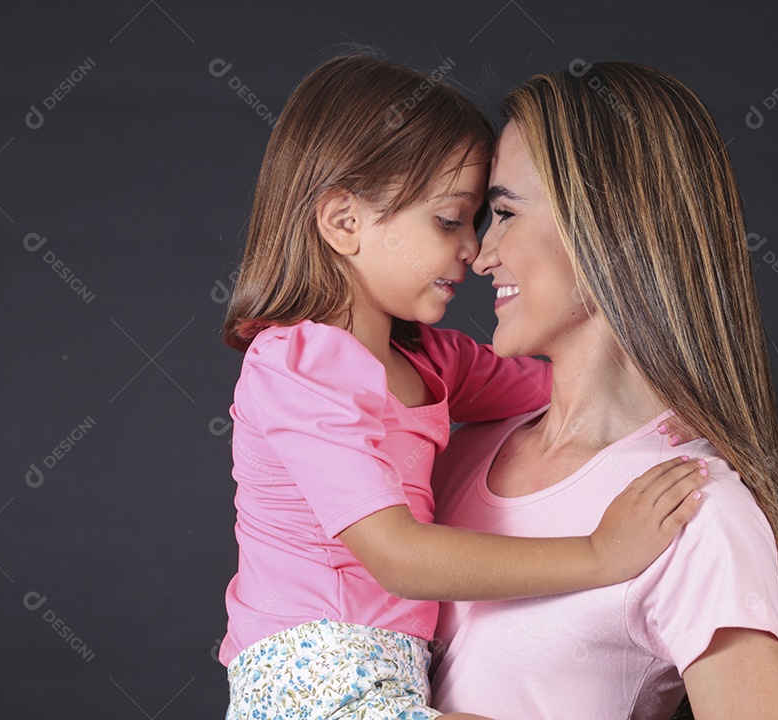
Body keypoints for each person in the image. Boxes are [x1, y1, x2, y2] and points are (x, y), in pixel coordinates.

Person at [217, 54, 710, 720]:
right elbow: (399, 558)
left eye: (479, 223)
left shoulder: (431, 363)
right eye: (449, 221)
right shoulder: (296, 366)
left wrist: (665, 408)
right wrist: (599, 556)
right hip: (306, 675)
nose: (472, 254)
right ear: (344, 221)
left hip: (394, 671)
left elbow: (564, 384)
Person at [430, 61, 778, 719]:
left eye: (506, 212)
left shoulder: (688, 509)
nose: (481, 254)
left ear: (609, 231)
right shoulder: (459, 454)